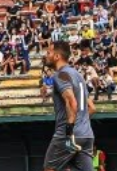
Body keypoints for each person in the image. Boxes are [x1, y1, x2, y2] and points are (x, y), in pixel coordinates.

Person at [42, 41, 96, 171]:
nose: (45, 55)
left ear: (57, 56)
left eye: (48, 52)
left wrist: (69, 131)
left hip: (69, 136)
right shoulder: (78, 75)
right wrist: (81, 123)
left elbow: (72, 102)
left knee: (49, 168)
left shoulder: (60, 75)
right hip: (86, 135)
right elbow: (92, 108)